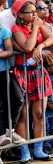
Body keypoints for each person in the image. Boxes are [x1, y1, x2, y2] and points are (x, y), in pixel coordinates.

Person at [12, 0, 53, 164]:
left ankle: (39, 149)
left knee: (39, 113)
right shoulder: (16, 28)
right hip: (23, 73)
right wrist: (37, 29)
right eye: (29, 12)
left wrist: (41, 47)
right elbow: (27, 47)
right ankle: (25, 150)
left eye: (34, 11)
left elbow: (51, 38)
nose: (33, 14)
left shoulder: (37, 25)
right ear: (20, 14)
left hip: (38, 72)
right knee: (23, 115)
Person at [0, 18, 22, 146]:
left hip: (4, 71)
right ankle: (1, 134)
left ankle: (10, 131)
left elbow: (9, 51)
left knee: (17, 99)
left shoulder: (4, 31)